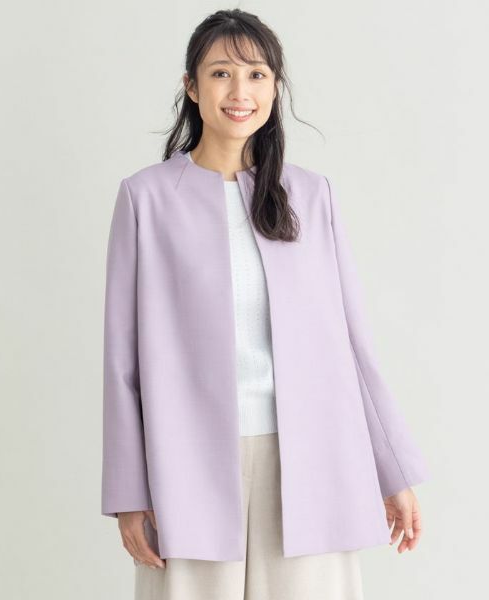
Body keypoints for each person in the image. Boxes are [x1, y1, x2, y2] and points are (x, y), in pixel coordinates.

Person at [101, 8, 430, 600]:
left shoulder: (311, 195)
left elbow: (353, 346)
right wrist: (129, 493)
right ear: (191, 87)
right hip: (186, 464)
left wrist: (394, 472)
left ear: (275, 88)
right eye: (221, 73)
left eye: (256, 74)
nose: (240, 92)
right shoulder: (145, 198)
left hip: (312, 459)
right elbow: (122, 363)